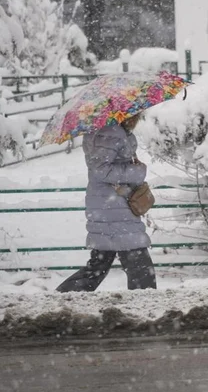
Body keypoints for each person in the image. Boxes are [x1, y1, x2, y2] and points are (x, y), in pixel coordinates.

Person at [56, 115, 157, 292]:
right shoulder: (110, 131)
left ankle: (63, 298)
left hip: (110, 206)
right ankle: (146, 309)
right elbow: (101, 170)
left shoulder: (108, 129)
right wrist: (136, 171)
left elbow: (104, 165)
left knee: (98, 266)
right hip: (114, 208)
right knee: (139, 267)